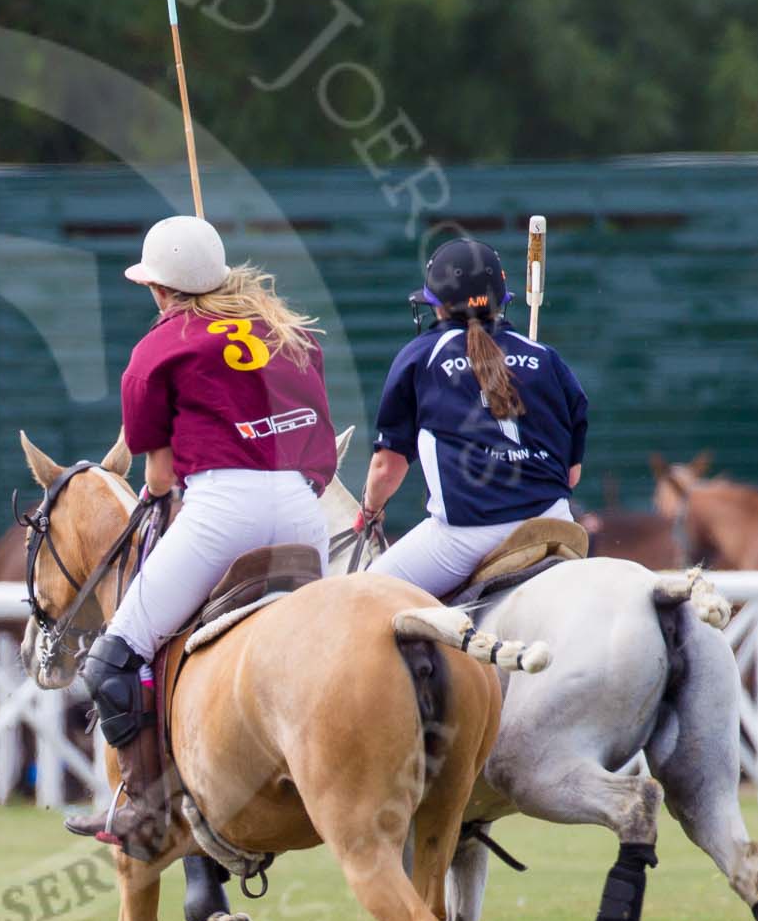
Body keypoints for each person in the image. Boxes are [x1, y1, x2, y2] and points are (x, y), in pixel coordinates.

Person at [64, 215, 335, 859]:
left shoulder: (158, 347)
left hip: (222, 510)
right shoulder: (289, 330)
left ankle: (143, 805)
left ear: (158, 289)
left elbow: (157, 475)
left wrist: (161, 500)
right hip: (302, 508)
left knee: (114, 658)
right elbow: (320, 443)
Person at [359, 237, 588, 598]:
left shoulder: (421, 356)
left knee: (362, 597)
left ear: (438, 307)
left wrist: (370, 510)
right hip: (555, 522)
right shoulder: (545, 357)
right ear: (502, 299)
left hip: (466, 536)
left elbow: (387, 468)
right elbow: (571, 475)